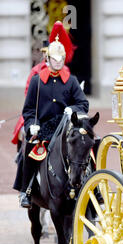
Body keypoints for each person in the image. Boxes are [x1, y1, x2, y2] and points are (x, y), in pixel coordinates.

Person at [15, 22, 89, 208]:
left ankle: (93, 189)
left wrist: (72, 109)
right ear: (47, 59)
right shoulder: (36, 81)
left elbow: (83, 104)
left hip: (65, 126)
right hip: (44, 127)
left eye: (60, 59)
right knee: (28, 151)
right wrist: (31, 124)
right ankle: (27, 190)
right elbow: (29, 110)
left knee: (86, 144)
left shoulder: (71, 81)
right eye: (54, 59)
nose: (57, 63)